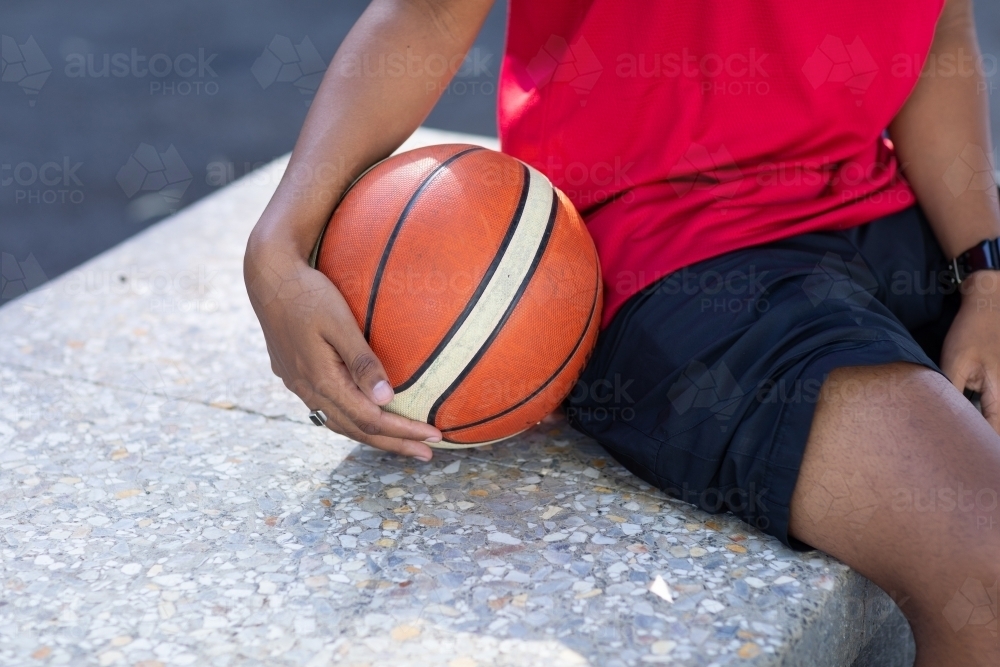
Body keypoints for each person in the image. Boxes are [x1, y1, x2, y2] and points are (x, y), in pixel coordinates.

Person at [243, 1, 1000, 663]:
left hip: (881, 203)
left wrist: (986, 270)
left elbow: (939, 25)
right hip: (671, 246)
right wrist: (280, 242)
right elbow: (431, 11)